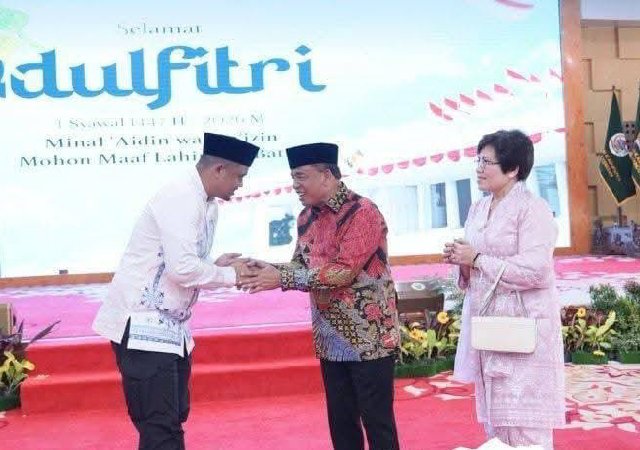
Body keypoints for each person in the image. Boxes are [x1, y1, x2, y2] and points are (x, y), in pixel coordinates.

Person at [92, 133, 259, 450]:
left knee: (171, 418)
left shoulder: (207, 204)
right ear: (219, 169)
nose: (240, 185)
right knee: (161, 425)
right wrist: (230, 275)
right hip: (142, 325)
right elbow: (181, 269)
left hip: (171, 327)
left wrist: (215, 264)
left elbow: (183, 261)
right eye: (239, 176)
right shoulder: (181, 196)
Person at [239, 143, 401, 450]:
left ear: (326, 175)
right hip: (331, 339)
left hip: (370, 338)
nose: (295, 185)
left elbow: (343, 272)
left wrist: (281, 278)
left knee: (378, 424)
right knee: (341, 425)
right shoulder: (306, 217)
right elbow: (300, 266)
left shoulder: (362, 212)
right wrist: (264, 269)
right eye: (293, 177)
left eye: (301, 176)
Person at [443, 130, 565, 449]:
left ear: (512, 169)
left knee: (525, 421)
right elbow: (474, 264)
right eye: (478, 160)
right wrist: (462, 260)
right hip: (489, 325)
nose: (479, 168)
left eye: (487, 162)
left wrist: (478, 259)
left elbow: (536, 270)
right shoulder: (477, 208)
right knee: (496, 419)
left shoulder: (533, 209)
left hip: (525, 326)